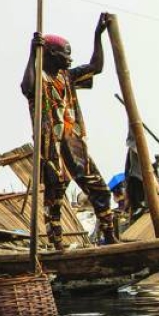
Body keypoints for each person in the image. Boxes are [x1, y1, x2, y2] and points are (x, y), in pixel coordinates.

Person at [20, 13, 117, 248]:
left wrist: (98, 35)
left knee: (100, 190)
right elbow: (26, 87)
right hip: (51, 149)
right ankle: (57, 245)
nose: (70, 60)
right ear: (51, 54)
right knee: (54, 201)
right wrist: (33, 54)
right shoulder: (39, 79)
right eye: (66, 54)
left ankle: (110, 235)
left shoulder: (67, 76)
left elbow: (96, 67)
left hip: (73, 144)